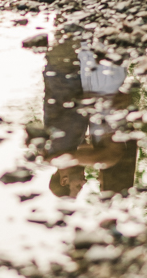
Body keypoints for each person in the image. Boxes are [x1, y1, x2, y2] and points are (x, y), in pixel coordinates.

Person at [42, 41, 138, 198]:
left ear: (64, 180)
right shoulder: (107, 157)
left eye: (78, 186)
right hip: (93, 73)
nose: (86, 182)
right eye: (101, 183)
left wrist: (56, 160)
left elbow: (82, 150)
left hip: (72, 69)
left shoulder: (61, 146)